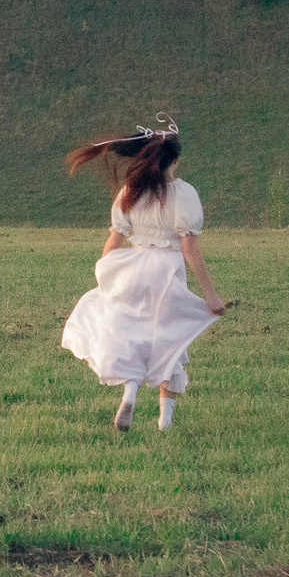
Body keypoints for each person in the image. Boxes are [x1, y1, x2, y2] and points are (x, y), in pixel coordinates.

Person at [59, 116, 226, 431]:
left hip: (131, 269)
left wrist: (108, 279)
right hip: (166, 272)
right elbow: (189, 248)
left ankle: (131, 391)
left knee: (132, 335)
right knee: (168, 340)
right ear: (174, 161)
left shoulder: (131, 191)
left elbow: (114, 239)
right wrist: (211, 294)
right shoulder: (183, 194)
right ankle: (165, 422)